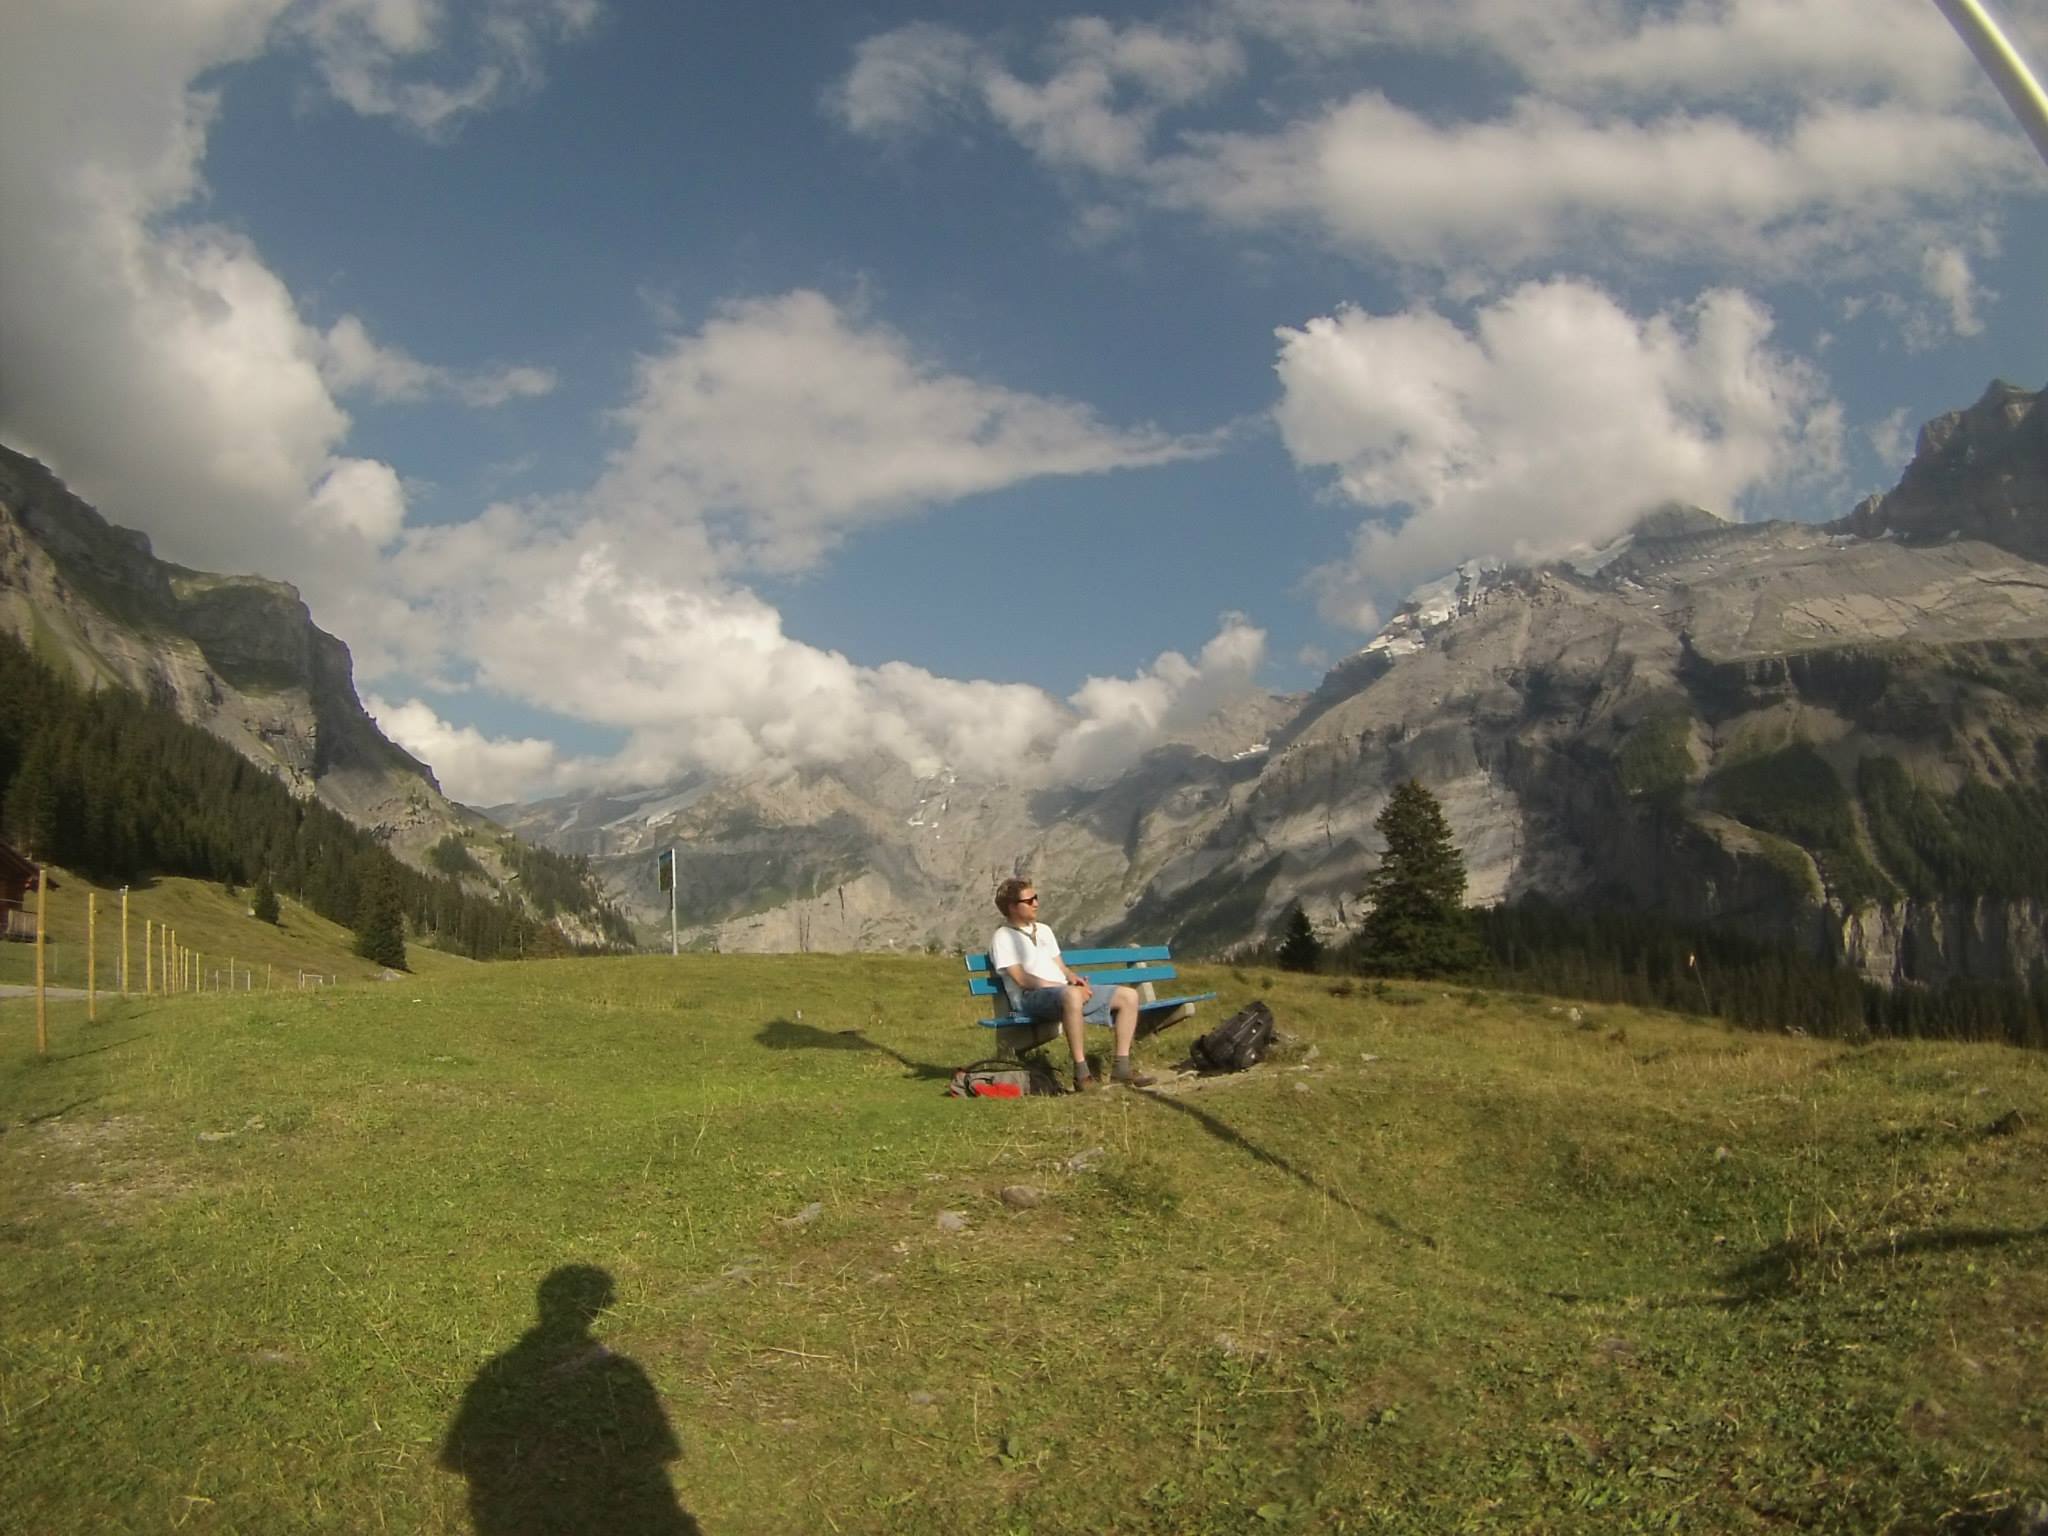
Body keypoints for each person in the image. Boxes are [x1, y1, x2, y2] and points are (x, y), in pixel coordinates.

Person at [990, 877, 1155, 1092]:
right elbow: (1021, 979)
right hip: (1030, 998)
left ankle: (1121, 1068)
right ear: (1012, 907)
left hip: (1062, 992)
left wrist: (1072, 978)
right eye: (1029, 900)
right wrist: (1064, 988)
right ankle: (1081, 1073)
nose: (1036, 904)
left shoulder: (1044, 930)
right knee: (1072, 996)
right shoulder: (1002, 937)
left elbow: (1060, 966)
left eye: (1036, 898)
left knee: (1128, 997)